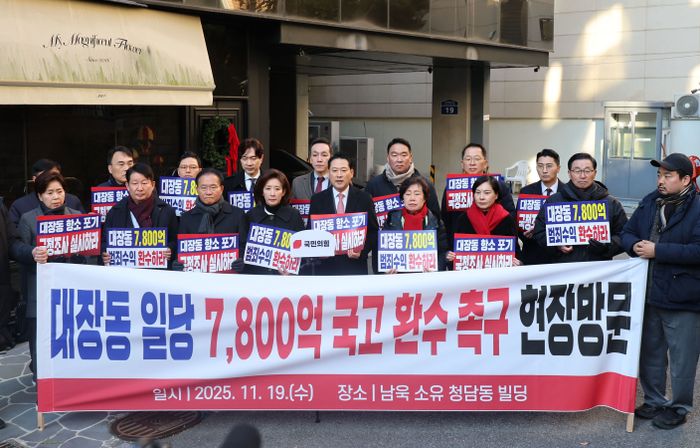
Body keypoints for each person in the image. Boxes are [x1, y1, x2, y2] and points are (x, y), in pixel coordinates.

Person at [620, 153, 700, 430]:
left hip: (683, 295)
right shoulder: (650, 201)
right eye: (659, 175)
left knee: (682, 358)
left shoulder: (697, 207)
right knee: (650, 352)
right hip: (649, 291)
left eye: (667, 175)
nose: (660, 180)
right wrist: (634, 246)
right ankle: (654, 400)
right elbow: (627, 232)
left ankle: (678, 407)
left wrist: (659, 251)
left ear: (686, 179)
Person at [15, 171, 85, 379]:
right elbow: (20, 251)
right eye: (50, 192)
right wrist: (33, 253)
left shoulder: (77, 216)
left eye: (59, 191)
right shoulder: (29, 219)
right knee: (41, 340)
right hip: (41, 289)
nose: (56, 197)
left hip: (71, 288)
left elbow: (89, 254)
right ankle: (42, 380)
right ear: (40, 196)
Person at [533, 153, 628, 263]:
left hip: (599, 268)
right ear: (569, 173)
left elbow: (624, 235)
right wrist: (557, 245)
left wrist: (607, 246)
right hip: (563, 267)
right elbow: (539, 232)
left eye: (587, 171)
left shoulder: (611, 203)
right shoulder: (554, 201)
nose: (582, 176)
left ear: (595, 173)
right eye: (577, 171)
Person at [309, 153, 379, 275]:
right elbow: (310, 232)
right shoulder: (317, 200)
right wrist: (318, 251)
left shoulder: (364, 198)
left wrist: (362, 251)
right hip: (325, 269)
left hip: (355, 267)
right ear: (329, 173)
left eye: (343, 170)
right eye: (335, 170)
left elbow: (373, 232)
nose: (339, 175)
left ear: (351, 173)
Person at [101, 163, 178, 267]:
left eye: (144, 183)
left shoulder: (167, 211)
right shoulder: (115, 212)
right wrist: (105, 253)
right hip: (124, 272)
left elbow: (175, 240)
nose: (140, 188)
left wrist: (170, 249)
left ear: (153, 185)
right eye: (135, 183)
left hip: (157, 272)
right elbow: (105, 241)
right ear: (127, 186)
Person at [441, 143, 516, 244]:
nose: (472, 163)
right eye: (468, 159)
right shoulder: (452, 187)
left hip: (495, 244)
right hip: (462, 244)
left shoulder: (499, 185)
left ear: (485, 163)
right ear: (462, 164)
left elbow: (510, 215)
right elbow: (445, 219)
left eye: (477, 159)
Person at [179, 168, 247, 272]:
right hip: (196, 277)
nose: (208, 192)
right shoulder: (186, 218)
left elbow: (243, 245)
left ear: (222, 188)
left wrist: (240, 261)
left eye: (213, 187)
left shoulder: (237, 214)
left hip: (229, 275)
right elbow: (181, 249)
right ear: (197, 189)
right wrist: (179, 263)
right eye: (203, 188)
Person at [446, 176, 520, 265]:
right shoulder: (463, 219)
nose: (481, 197)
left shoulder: (506, 219)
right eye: (477, 192)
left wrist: (517, 263)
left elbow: (515, 250)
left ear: (496, 195)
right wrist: (450, 257)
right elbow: (454, 248)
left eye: (487, 193)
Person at [244, 169, 305, 275]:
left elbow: (302, 249)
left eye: (277, 189)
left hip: (285, 279)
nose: (272, 194)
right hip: (256, 278)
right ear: (262, 191)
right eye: (268, 188)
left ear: (283, 192)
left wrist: (292, 272)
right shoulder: (251, 215)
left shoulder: (294, 215)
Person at [383, 176, 448, 271]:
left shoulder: (435, 221)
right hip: (398, 276)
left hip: (427, 277)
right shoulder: (391, 219)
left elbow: (443, 252)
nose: (412, 198)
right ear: (402, 197)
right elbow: (383, 250)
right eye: (408, 194)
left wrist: (435, 270)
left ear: (424, 198)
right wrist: (387, 270)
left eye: (417, 194)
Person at [365, 137, 440, 217]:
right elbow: (367, 217)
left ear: (410, 158)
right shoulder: (374, 185)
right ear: (388, 158)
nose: (399, 159)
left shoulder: (425, 185)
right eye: (394, 155)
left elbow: (436, 218)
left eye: (404, 155)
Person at [519, 148, 563, 265]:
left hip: (560, 255)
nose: (544, 170)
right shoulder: (526, 192)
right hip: (533, 252)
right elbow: (518, 224)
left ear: (558, 168)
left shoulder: (567, 192)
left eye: (549, 166)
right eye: (540, 166)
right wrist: (525, 234)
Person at [9, 158, 84, 226]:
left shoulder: (73, 201)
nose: (56, 197)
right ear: (34, 179)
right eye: (45, 176)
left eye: (55, 175)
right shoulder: (19, 206)